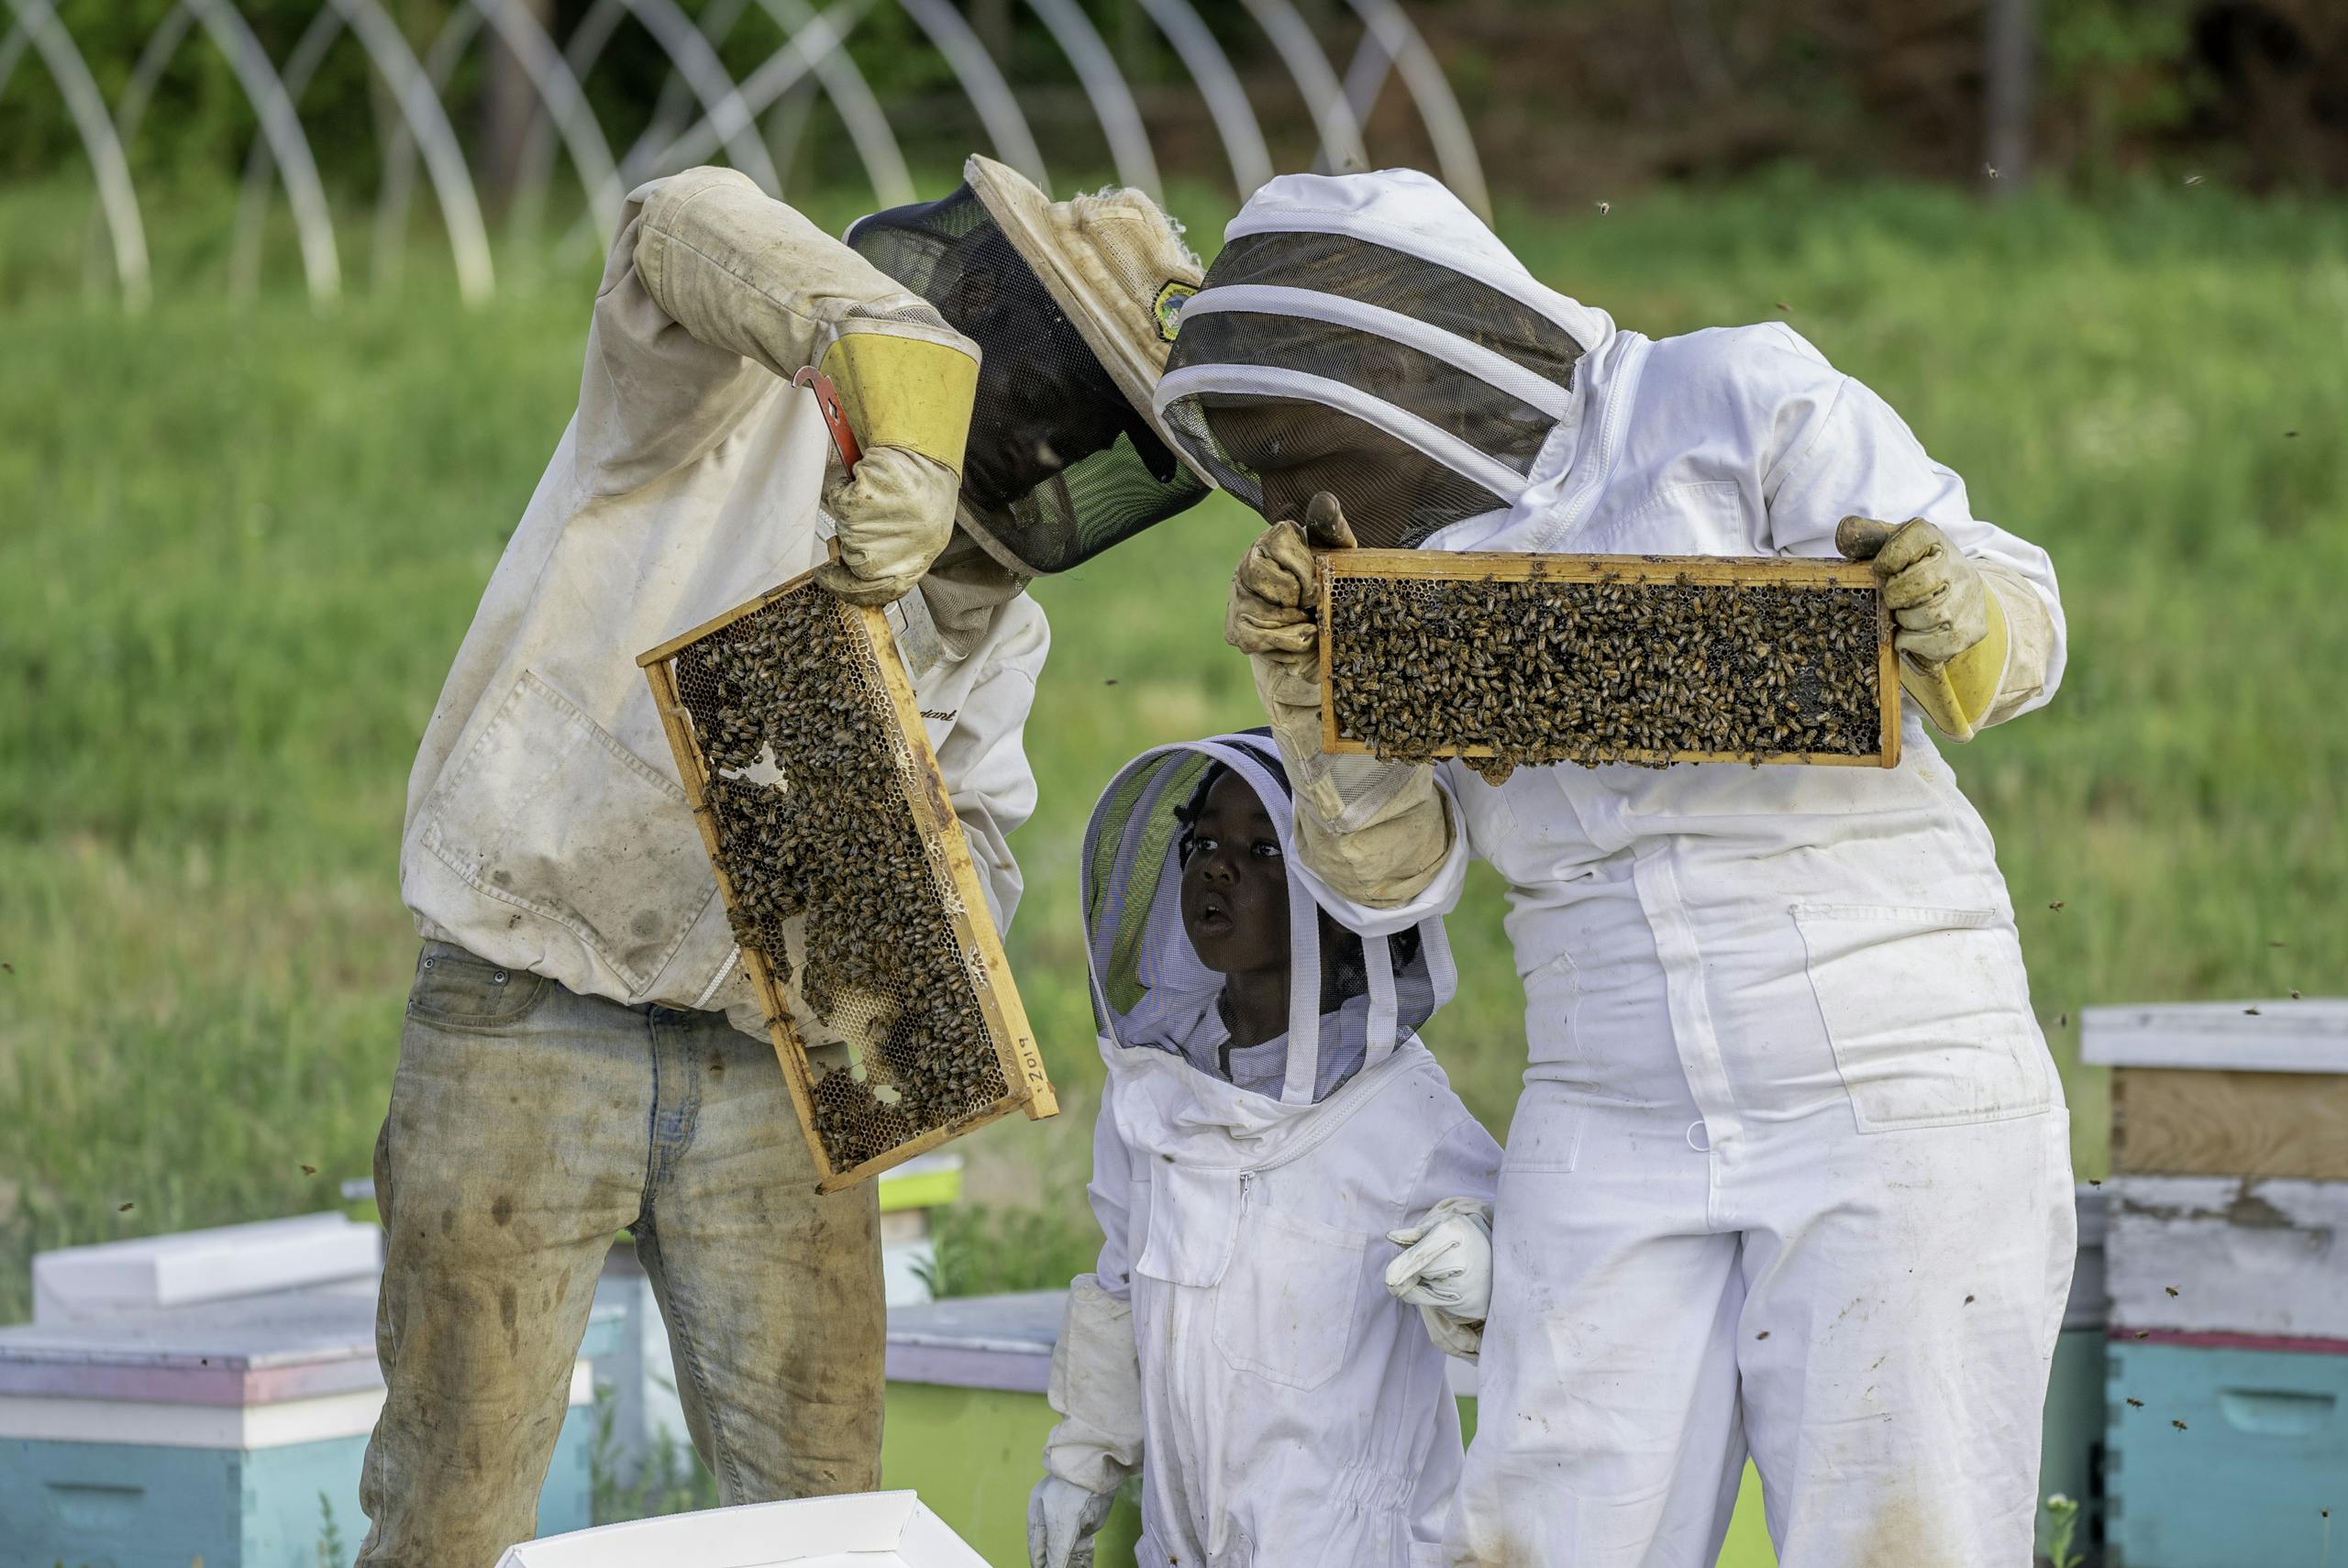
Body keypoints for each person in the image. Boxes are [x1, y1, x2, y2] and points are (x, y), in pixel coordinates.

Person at [1157, 170, 2076, 1567]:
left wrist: (1955, 609)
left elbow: (2025, 626)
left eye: (1291, 454)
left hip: (1885, 1050)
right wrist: (1317, 711)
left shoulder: (1723, 400)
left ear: (1397, 372)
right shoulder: (1386, 580)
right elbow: (1394, 885)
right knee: (1548, 1531)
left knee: (1907, 1533)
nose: (1281, 501)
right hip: (1607, 1092)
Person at [364, 158, 1212, 1565]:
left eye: (1092, 423)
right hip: (528, 1005)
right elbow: (675, 216)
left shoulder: (1002, 633)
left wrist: (909, 919)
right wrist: (907, 398)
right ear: (983, 303)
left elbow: (977, 867)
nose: (1057, 436)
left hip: (777, 1081)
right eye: (1059, 386)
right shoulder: (714, 407)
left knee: (827, 1520)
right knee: (450, 1509)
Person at [1027, 732, 1501, 1568]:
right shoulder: (1154, 1089)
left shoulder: (1403, 1114)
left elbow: (1540, 1288)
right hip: (1179, 1547)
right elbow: (1119, 1283)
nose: (1218, 868)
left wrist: (1483, 1268)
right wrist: (1081, 1464)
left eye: (1263, 850)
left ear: (1337, 893)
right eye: (1204, 843)